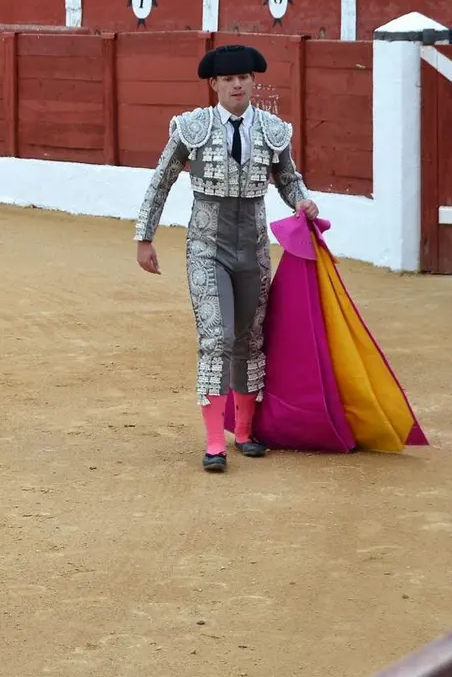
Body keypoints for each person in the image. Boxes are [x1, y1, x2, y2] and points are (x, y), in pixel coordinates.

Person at [133, 44, 318, 473]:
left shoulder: (273, 130)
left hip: (253, 247)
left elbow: (288, 179)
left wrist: (303, 202)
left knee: (250, 340)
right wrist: (145, 237)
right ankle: (215, 441)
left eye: (245, 77)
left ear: (254, 82)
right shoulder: (191, 128)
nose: (238, 84)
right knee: (217, 339)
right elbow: (161, 181)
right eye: (229, 79)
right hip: (207, 247)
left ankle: (246, 432)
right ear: (214, 84)